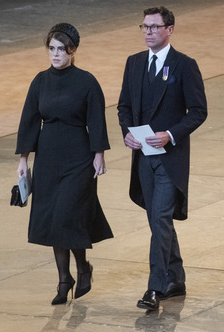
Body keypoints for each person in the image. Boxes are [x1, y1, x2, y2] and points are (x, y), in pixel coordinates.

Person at [16, 23, 113, 306]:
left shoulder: (86, 81)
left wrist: (99, 153)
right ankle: (64, 278)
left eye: (61, 49)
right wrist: (24, 159)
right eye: (51, 49)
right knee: (53, 218)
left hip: (79, 157)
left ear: (73, 50)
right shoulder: (40, 81)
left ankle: (82, 267)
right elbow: (29, 120)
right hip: (48, 157)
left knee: (69, 215)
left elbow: (96, 118)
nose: (56, 54)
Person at [117, 6, 207, 311]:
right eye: (144, 27)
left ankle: (156, 288)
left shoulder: (184, 65)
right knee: (159, 221)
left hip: (170, 158)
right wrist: (127, 133)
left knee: (160, 218)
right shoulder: (134, 63)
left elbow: (198, 111)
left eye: (154, 27)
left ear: (170, 29)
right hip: (144, 157)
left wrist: (170, 134)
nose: (148, 32)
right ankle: (175, 276)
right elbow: (124, 106)